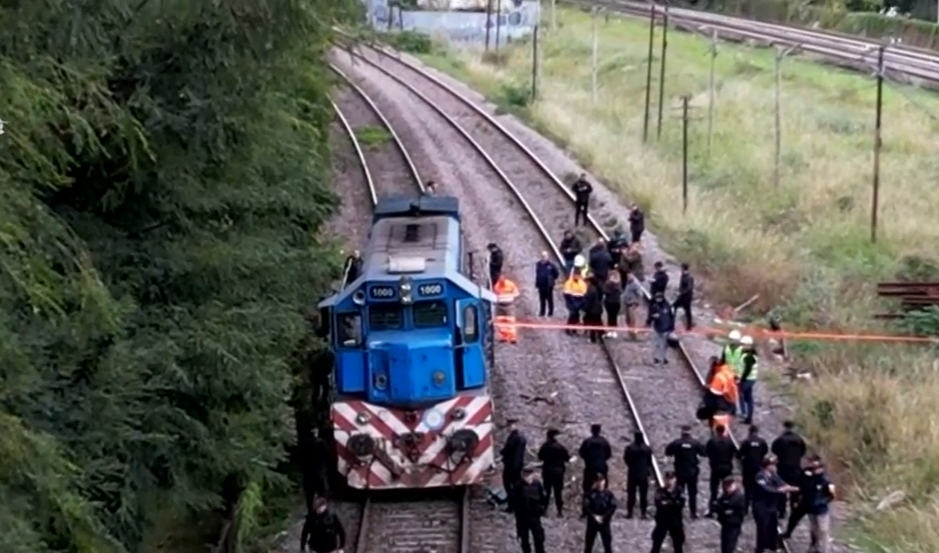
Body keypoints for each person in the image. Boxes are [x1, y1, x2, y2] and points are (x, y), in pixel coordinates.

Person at [782, 455, 835, 552]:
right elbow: (801, 486)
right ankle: (814, 547)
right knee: (814, 529)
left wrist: (822, 502)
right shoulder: (808, 474)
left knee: (823, 531)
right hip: (809, 505)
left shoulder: (825, 479)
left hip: (820, 508)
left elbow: (831, 494)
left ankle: (824, 549)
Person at [753, 455, 799, 553]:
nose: (775, 467)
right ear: (767, 466)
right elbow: (766, 489)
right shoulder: (760, 476)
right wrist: (780, 490)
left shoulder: (774, 475)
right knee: (762, 528)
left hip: (772, 506)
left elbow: (781, 483)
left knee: (772, 526)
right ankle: (760, 548)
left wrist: (791, 488)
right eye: (772, 465)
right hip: (761, 506)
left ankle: (771, 545)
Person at [664, 425, 705, 519]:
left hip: (680, 472)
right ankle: (693, 513)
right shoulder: (695, 443)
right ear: (690, 432)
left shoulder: (676, 443)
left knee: (679, 493)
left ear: (681, 432)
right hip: (692, 471)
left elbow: (668, 452)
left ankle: (678, 512)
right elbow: (704, 452)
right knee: (692, 493)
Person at [771, 420, 807, 518]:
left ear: (784, 427)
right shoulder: (799, 439)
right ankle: (794, 509)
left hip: (783, 467)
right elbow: (803, 451)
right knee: (794, 489)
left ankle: (781, 511)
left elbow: (774, 449)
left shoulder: (780, 439)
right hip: (795, 467)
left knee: (782, 489)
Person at [578, 424, 612, 517]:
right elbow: (609, 454)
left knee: (587, 489)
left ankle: (586, 511)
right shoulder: (604, 442)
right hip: (601, 467)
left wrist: (588, 460)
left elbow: (582, 453)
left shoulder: (587, 442)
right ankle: (603, 509)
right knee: (603, 489)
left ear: (592, 431)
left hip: (590, 467)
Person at [513, 465, 548, 553]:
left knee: (539, 537)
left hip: (535, 516)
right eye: (525, 475)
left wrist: (542, 509)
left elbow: (543, 498)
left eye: (529, 475)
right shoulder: (518, 486)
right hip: (522, 516)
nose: (527, 477)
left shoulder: (537, 484)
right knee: (524, 538)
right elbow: (515, 502)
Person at [537, 428, 571, 516]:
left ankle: (544, 510)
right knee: (558, 492)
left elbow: (540, 457)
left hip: (547, 470)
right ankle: (559, 511)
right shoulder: (560, 447)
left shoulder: (545, 446)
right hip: (558, 472)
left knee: (546, 491)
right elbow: (567, 458)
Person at [649, 471, 685, 553]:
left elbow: (681, 504)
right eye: (668, 479)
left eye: (671, 479)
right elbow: (659, 503)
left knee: (678, 545)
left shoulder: (679, 491)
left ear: (675, 480)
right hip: (662, 521)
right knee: (656, 543)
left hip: (675, 522)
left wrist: (669, 503)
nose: (670, 481)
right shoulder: (660, 491)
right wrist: (672, 503)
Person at [705, 424, 736, 517]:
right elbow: (733, 453)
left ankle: (712, 510)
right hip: (727, 467)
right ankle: (726, 508)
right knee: (727, 489)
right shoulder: (729, 442)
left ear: (716, 431)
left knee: (713, 490)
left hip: (715, 468)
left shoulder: (712, 441)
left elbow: (707, 452)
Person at [738, 425, 769, 513]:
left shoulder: (746, 442)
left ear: (749, 432)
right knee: (758, 487)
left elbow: (739, 454)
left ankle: (746, 507)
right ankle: (757, 507)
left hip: (747, 468)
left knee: (747, 488)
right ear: (757, 431)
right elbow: (765, 452)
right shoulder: (762, 442)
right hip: (758, 468)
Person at [583, 474, 617, 553]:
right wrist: (594, 516)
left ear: (604, 482)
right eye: (597, 481)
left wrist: (604, 517)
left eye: (601, 481)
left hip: (604, 522)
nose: (600, 483)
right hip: (592, 522)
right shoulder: (589, 494)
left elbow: (613, 507)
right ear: (594, 482)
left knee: (607, 545)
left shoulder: (609, 494)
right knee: (589, 545)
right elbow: (586, 507)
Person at [703, 356, 739, 431]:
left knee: (720, 421)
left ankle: (718, 431)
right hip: (731, 398)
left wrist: (708, 387)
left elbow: (716, 391)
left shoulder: (719, 376)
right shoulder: (728, 370)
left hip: (724, 400)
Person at [623, 431, 653, 519]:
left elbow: (626, 459)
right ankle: (643, 513)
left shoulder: (630, 448)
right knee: (643, 494)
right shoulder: (647, 448)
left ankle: (630, 513)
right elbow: (649, 461)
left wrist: (631, 466)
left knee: (631, 494)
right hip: (643, 474)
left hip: (632, 473)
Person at [500, 418, 527, 513]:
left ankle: (512, 507)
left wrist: (515, 468)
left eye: (510, 426)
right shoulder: (517, 437)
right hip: (513, 465)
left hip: (512, 466)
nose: (509, 428)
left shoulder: (516, 438)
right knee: (513, 486)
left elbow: (516, 455)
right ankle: (514, 505)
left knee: (511, 486)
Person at [300, 426, 330, 510]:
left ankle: (312, 508)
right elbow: (327, 455)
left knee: (311, 491)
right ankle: (322, 507)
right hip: (319, 469)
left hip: (310, 470)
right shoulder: (321, 443)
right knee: (322, 490)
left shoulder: (306, 443)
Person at [715, 476, 747, 553]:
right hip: (725, 523)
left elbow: (733, 507)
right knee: (725, 545)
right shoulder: (725, 495)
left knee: (729, 545)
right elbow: (717, 505)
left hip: (733, 524)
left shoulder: (738, 497)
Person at [646, 293, 675, 364]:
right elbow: (650, 316)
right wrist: (650, 320)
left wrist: (672, 327)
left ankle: (662, 357)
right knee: (658, 344)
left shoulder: (668, 306)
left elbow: (671, 317)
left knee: (664, 344)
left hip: (666, 328)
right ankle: (657, 358)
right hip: (658, 328)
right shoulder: (655, 306)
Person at [493, 274, 520, 343]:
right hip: (500, 306)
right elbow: (494, 295)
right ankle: (503, 337)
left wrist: (510, 296)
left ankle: (512, 337)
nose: (501, 281)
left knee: (510, 321)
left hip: (509, 305)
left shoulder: (510, 284)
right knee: (501, 322)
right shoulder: (497, 286)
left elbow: (516, 293)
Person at [738, 335, 759, 424]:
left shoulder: (748, 357)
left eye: (743, 344)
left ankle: (743, 413)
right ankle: (748, 417)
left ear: (748, 345)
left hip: (747, 379)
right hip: (751, 379)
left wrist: (741, 379)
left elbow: (747, 370)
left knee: (740, 394)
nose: (741, 346)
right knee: (748, 397)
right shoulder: (752, 354)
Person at [534, 251, 560, 318]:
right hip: (541, 285)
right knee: (542, 299)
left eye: (545, 256)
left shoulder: (551, 265)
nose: (543, 258)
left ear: (547, 257)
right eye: (542, 256)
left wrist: (552, 279)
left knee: (549, 299)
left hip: (548, 285)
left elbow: (556, 273)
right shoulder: (538, 264)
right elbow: (537, 274)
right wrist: (537, 283)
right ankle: (542, 312)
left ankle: (550, 312)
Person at [563, 269, 588, 336]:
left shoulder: (582, 283)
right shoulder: (569, 283)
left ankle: (574, 330)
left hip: (579, 301)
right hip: (571, 301)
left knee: (576, 316)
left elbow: (584, 292)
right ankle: (568, 329)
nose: (576, 277)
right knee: (572, 315)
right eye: (575, 275)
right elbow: (566, 293)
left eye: (577, 276)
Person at [583, 276, 605, 344]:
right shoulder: (596, 288)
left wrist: (585, 308)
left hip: (593, 310)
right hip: (598, 308)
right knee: (598, 322)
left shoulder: (590, 290)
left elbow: (589, 301)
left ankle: (593, 339)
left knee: (592, 324)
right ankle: (601, 333)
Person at [672, 263, 694, 330]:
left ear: (683, 268)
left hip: (686, 297)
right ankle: (671, 323)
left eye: (681, 268)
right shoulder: (683, 276)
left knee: (687, 311)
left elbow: (689, 288)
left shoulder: (689, 277)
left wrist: (681, 293)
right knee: (674, 307)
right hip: (682, 296)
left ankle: (689, 326)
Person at [621, 272, 643, 340]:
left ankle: (634, 336)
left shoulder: (635, 284)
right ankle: (629, 334)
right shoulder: (628, 283)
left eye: (629, 277)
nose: (628, 278)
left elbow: (640, 294)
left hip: (632, 304)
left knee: (632, 320)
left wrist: (636, 302)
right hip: (627, 304)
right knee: (628, 320)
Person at [602, 271, 623, 338]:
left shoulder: (615, 284)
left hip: (613, 302)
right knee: (611, 317)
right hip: (610, 302)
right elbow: (605, 291)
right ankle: (611, 331)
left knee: (613, 317)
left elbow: (606, 291)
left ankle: (613, 331)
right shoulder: (609, 284)